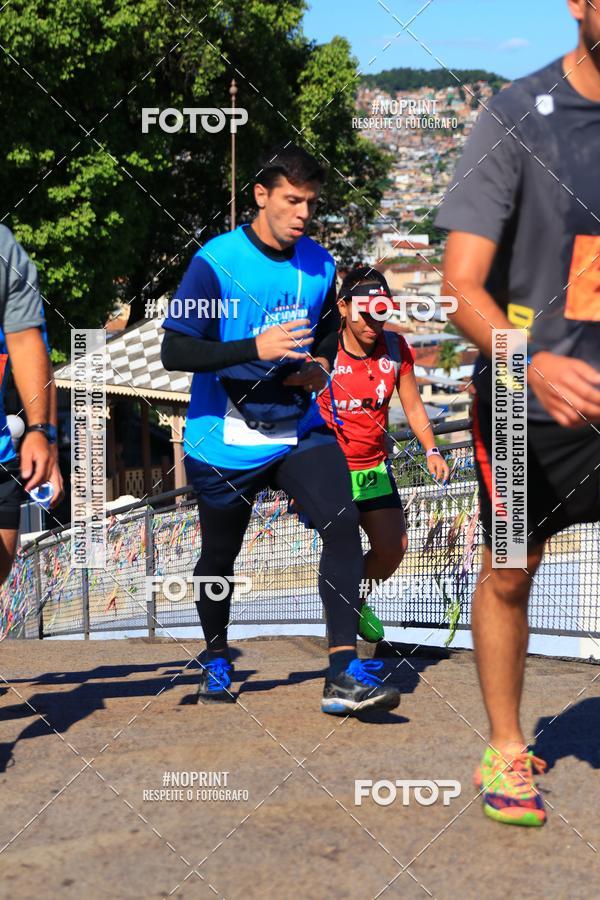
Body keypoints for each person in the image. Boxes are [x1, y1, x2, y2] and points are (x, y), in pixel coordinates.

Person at [161, 144, 400, 715]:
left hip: (299, 427)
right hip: (225, 435)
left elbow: (320, 337)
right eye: (292, 200)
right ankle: (216, 653)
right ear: (261, 196)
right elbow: (175, 349)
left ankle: (342, 672)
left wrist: (315, 368)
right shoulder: (215, 262)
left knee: (342, 525)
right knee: (220, 554)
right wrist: (253, 348)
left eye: (310, 203)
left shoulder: (320, 264)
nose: (302, 214)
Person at [436, 0, 600, 826]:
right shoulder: (517, 113)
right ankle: (506, 743)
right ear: (579, 4)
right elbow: (460, 286)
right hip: (519, 400)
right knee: (510, 571)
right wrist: (529, 363)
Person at [314, 267, 449, 639]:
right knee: (342, 545)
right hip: (330, 470)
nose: (374, 321)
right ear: (343, 308)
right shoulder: (324, 349)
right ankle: (341, 620)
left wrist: (432, 449)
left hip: (372, 467)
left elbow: (414, 405)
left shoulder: (394, 348)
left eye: (382, 311)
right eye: (365, 312)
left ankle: (348, 596)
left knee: (393, 547)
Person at [0, 225, 63, 585]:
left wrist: (43, 434)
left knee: (3, 562)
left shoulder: (4, 248)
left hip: (2, 449)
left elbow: (29, 345)